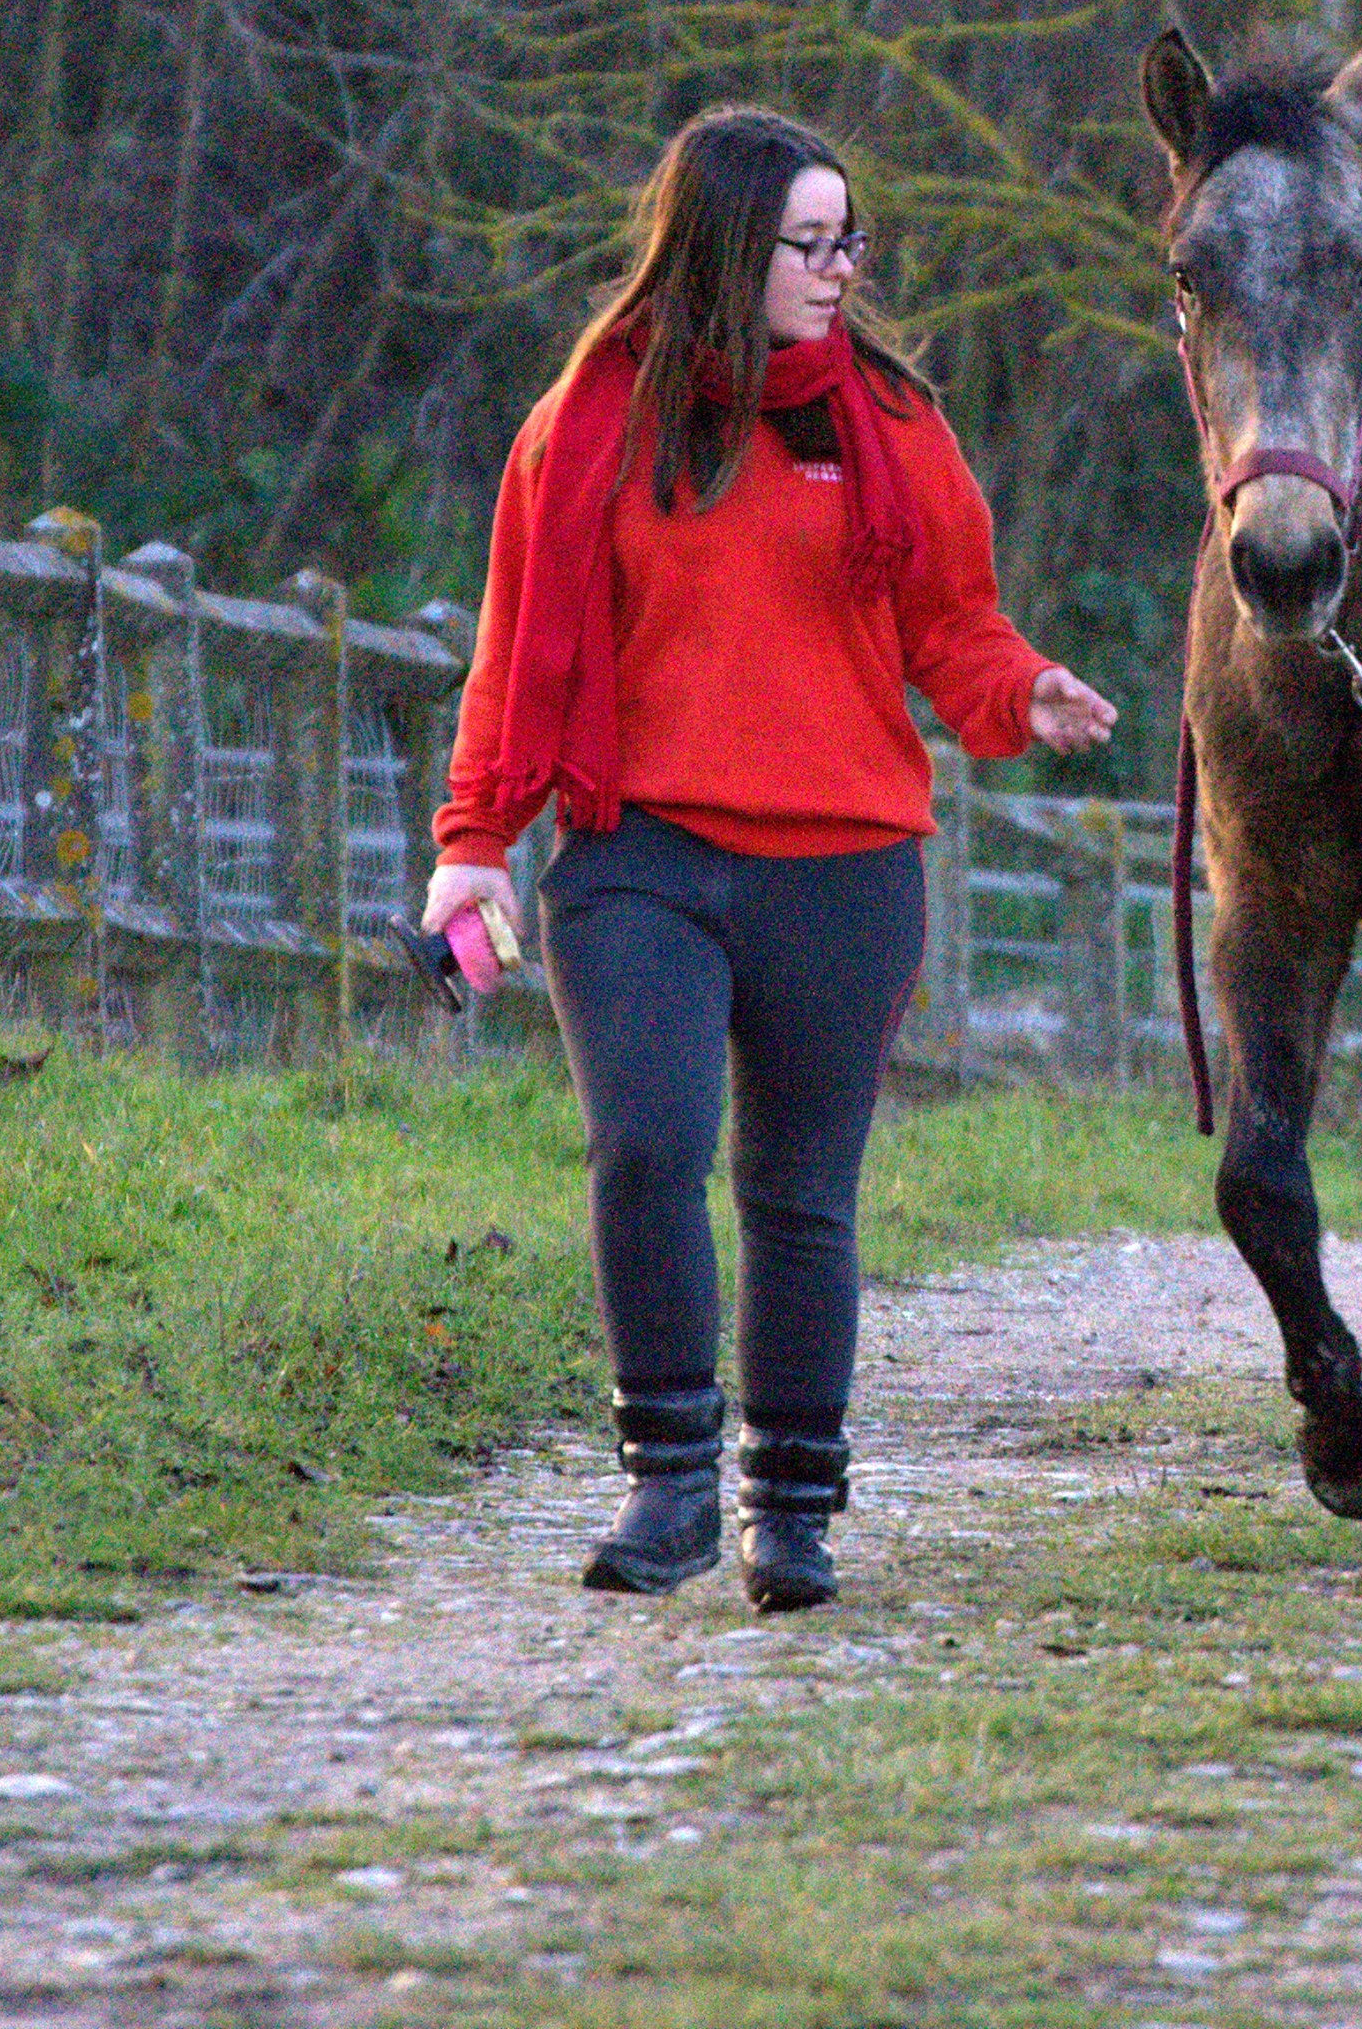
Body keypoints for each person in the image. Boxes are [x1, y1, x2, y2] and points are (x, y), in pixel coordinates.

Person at [424, 104, 1118, 1608]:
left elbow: (958, 627)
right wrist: (472, 843)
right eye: (806, 242)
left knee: (800, 1195)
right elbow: (517, 655)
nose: (837, 267)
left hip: (845, 868)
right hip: (639, 855)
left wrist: (1026, 692)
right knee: (647, 1148)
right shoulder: (588, 423)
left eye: (848, 239)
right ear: (725, 247)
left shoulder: (893, 423)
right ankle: (668, 1483)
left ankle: (791, 1509)